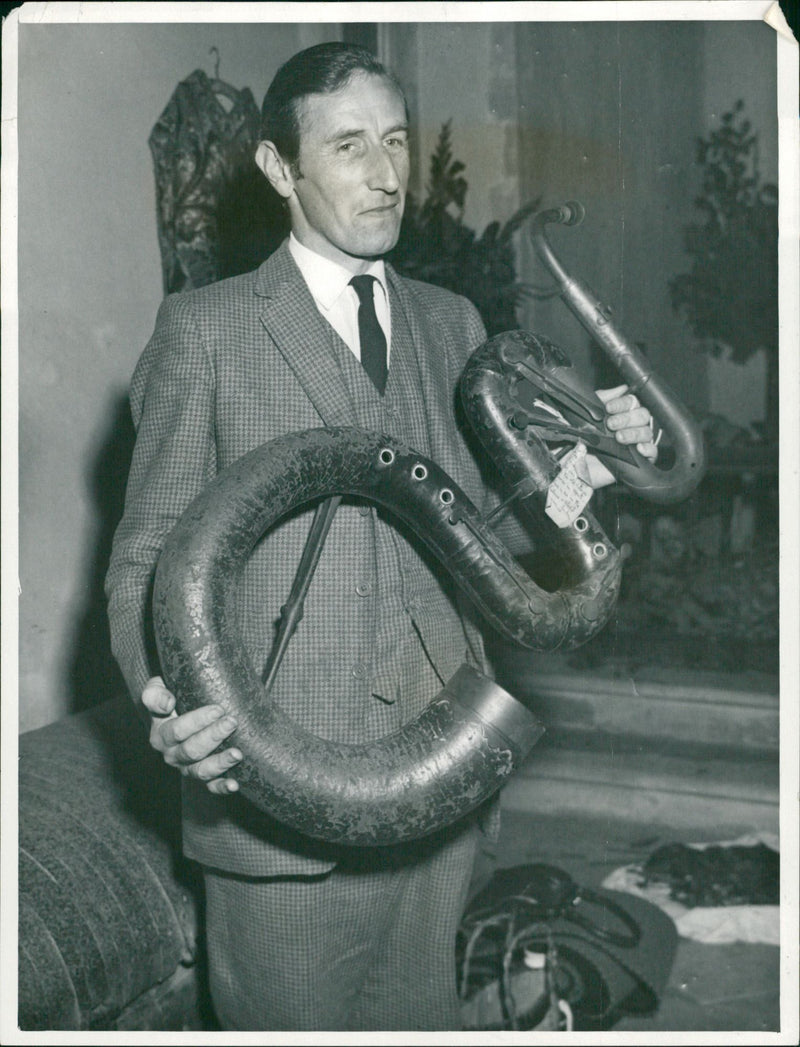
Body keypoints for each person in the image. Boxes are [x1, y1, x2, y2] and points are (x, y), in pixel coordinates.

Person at [106, 42, 658, 1031]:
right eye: (349, 145)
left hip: (439, 781)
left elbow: (480, 542)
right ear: (279, 170)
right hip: (277, 808)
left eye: (395, 139)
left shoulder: (450, 322)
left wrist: (583, 480)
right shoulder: (207, 331)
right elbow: (147, 557)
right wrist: (163, 697)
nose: (387, 172)